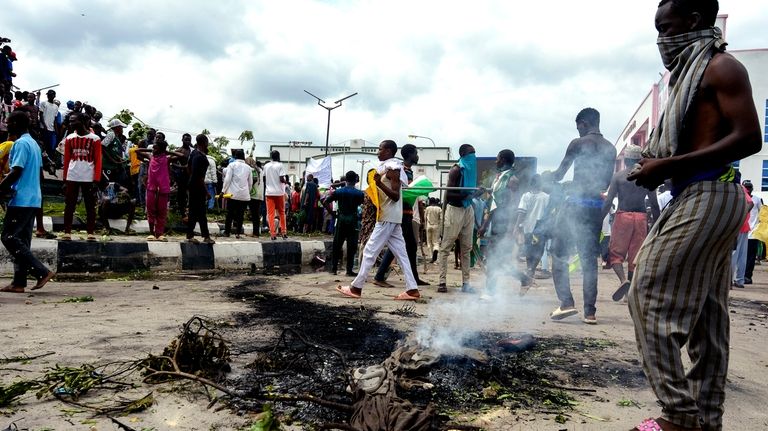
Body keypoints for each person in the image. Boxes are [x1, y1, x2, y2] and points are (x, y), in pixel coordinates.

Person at [626, 1, 762, 429]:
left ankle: (679, 416)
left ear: (695, 22)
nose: (662, 40)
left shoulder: (722, 67)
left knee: (645, 292)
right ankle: (706, 418)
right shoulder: (688, 75)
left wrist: (667, 166)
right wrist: (660, 164)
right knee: (707, 315)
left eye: (667, 29)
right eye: (658, 31)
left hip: (711, 192)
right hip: (695, 192)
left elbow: (750, 137)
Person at [546, 108, 616, 323]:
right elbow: (604, 183)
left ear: (584, 123)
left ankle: (566, 302)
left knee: (558, 254)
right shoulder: (611, 149)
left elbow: (559, 174)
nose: (577, 131)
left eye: (578, 127)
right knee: (588, 262)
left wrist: (547, 178)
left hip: (575, 206)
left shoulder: (578, 144)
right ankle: (590, 312)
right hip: (595, 208)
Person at [336, 140, 421, 301]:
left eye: (380, 149)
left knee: (369, 251)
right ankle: (412, 289)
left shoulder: (393, 168)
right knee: (402, 255)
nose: (378, 152)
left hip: (388, 216)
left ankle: (356, 287)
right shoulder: (389, 167)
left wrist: (378, 184)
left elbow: (395, 196)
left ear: (389, 151)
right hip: (392, 217)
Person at [0, 112, 55, 293]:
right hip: (33, 198)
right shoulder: (34, 144)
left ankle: (41, 271)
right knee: (21, 240)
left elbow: (16, 171)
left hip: (21, 198)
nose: (6, 125)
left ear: (16, 123)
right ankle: (19, 282)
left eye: (8, 122)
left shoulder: (21, 144)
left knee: (8, 237)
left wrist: (0, 189)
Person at [601, 144, 660, 301]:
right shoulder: (647, 176)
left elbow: (608, 203)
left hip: (623, 217)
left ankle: (623, 281)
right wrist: (657, 224)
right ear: (640, 160)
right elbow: (654, 204)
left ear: (626, 159)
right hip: (641, 218)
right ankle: (628, 294)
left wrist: (598, 220)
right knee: (635, 257)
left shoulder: (619, 176)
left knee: (615, 254)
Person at [374, 144, 429, 287]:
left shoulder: (408, 171)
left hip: (407, 213)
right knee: (398, 246)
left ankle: (413, 278)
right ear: (410, 154)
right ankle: (380, 276)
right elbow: (399, 193)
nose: (417, 156)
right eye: (416, 153)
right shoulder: (400, 170)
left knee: (410, 246)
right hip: (401, 213)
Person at [478, 149, 530, 292]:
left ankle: (490, 291)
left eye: (498, 158)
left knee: (495, 259)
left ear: (504, 160)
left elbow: (514, 206)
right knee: (496, 259)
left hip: (505, 224)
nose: (496, 161)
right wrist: (485, 225)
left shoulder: (512, 179)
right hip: (496, 223)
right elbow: (495, 203)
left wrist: (510, 229)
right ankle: (522, 279)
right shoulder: (498, 178)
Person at [437, 144, 478, 293]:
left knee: (467, 248)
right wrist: (467, 194)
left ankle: (466, 283)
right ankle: (442, 282)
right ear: (463, 155)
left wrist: (474, 194)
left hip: (468, 209)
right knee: (446, 247)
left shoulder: (471, 171)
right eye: (470, 154)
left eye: (474, 153)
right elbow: (449, 194)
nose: (473, 157)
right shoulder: (456, 170)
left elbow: (470, 192)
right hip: (454, 210)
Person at [61, 112, 102, 241]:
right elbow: (67, 159)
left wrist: (96, 179)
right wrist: (65, 179)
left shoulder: (95, 139)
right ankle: (67, 231)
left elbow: (98, 160)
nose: (71, 123)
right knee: (69, 205)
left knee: (90, 205)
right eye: (70, 121)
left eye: (73, 121)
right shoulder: (69, 138)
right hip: (72, 175)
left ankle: (90, 232)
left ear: (82, 121)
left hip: (88, 176)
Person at [136, 133, 183, 241]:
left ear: (161, 149)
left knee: (162, 212)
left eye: (155, 148)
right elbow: (137, 151)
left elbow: (181, 156)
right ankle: (152, 233)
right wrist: (151, 150)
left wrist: (167, 152)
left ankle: (160, 233)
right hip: (151, 188)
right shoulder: (150, 156)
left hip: (163, 189)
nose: (153, 149)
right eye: (153, 147)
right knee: (151, 211)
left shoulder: (167, 159)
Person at [324, 171, 364, 276]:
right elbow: (363, 205)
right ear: (355, 180)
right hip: (353, 220)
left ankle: (334, 269)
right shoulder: (359, 193)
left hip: (341, 218)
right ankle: (349, 270)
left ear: (345, 180)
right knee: (352, 245)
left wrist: (332, 213)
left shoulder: (339, 192)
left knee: (337, 244)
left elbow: (325, 202)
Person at [514, 174, 550, 280]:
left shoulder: (526, 196)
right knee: (539, 249)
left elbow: (522, 212)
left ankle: (530, 269)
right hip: (541, 228)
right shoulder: (546, 197)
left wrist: (517, 226)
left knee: (529, 249)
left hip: (528, 227)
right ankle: (531, 269)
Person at [186, 134, 215, 244]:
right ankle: (205, 236)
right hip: (198, 187)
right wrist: (206, 192)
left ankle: (192, 234)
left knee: (194, 212)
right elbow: (200, 177)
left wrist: (191, 180)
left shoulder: (194, 154)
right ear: (205, 142)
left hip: (192, 185)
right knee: (200, 212)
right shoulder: (201, 157)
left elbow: (188, 168)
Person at [221, 149, 252, 238]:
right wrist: (247, 192)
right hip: (244, 195)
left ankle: (227, 232)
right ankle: (238, 233)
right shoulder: (248, 168)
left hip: (232, 194)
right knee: (240, 215)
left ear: (235, 157)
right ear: (243, 157)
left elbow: (227, 179)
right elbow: (250, 183)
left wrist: (223, 191)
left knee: (230, 213)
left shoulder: (232, 165)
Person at [731, 180, 753, 288]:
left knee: (733, 255)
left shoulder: (739, 189)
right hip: (743, 227)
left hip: (738, 226)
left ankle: (730, 281)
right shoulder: (738, 189)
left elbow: (751, 203)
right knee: (741, 256)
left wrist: (741, 216)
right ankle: (739, 281)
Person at [263, 150, 288, 240]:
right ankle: (283, 232)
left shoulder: (266, 166)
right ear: (278, 156)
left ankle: (273, 234)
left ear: (271, 156)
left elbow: (264, 178)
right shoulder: (280, 165)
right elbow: (281, 179)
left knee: (270, 214)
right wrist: (286, 182)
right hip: (279, 193)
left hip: (269, 193)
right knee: (282, 212)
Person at [744, 180, 763, 284]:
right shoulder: (740, 198)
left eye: (749, 187)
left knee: (750, 257)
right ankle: (739, 276)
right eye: (745, 187)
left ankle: (747, 276)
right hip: (741, 232)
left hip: (753, 233)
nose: (747, 189)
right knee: (740, 256)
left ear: (752, 188)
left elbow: (762, 213)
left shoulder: (757, 199)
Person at [101, 119, 128, 187]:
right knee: (110, 184)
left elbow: (113, 150)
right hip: (107, 165)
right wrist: (112, 160)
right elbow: (102, 146)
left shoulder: (115, 136)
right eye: (121, 127)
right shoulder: (111, 134)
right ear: (117, 127)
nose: (122, 129)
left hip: (113, 166)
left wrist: (119, 158)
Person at [173, 133, 192, 216]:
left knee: (192, 193)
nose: (188, 141)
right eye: (186, 139)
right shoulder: (179, 151)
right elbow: (172, 163)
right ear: (182, 140)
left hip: (191, 174)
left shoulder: (192, 150)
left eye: (189, 140)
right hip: (182, 175)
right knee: (182, 194)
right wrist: (182, 167)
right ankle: (182, 211)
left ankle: (190, 212)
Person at [38, 89, 59, 160]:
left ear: (54, 96)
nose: (49, 96)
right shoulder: (44, 103)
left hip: (52, 129)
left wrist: (56, 130)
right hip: (43, 128)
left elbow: (55, 119)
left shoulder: (56, 107)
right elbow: (41, 115)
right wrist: (44, 125)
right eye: (48, 94)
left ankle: (48, 161)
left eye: (51, 94)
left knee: (50, 146)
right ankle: (41, 161)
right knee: (43, 145)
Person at [248, 160, 264, 237]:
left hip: (253, 194)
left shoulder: (253, 170)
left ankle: (255, 233)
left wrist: (248, 190)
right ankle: (256, 232)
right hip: (259, 194)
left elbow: (253, 181)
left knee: (254, 214)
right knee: (256, 214)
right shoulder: (261, 170)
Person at [424, 198, 442, 263]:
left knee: (429, 242)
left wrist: (425, 226)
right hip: (436, 226)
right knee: (436, 242)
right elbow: (441, 219)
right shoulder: (439, 209)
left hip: (429, 226)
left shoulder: (427, 208)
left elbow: (425, 218)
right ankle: (436, 249)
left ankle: (431, 257)